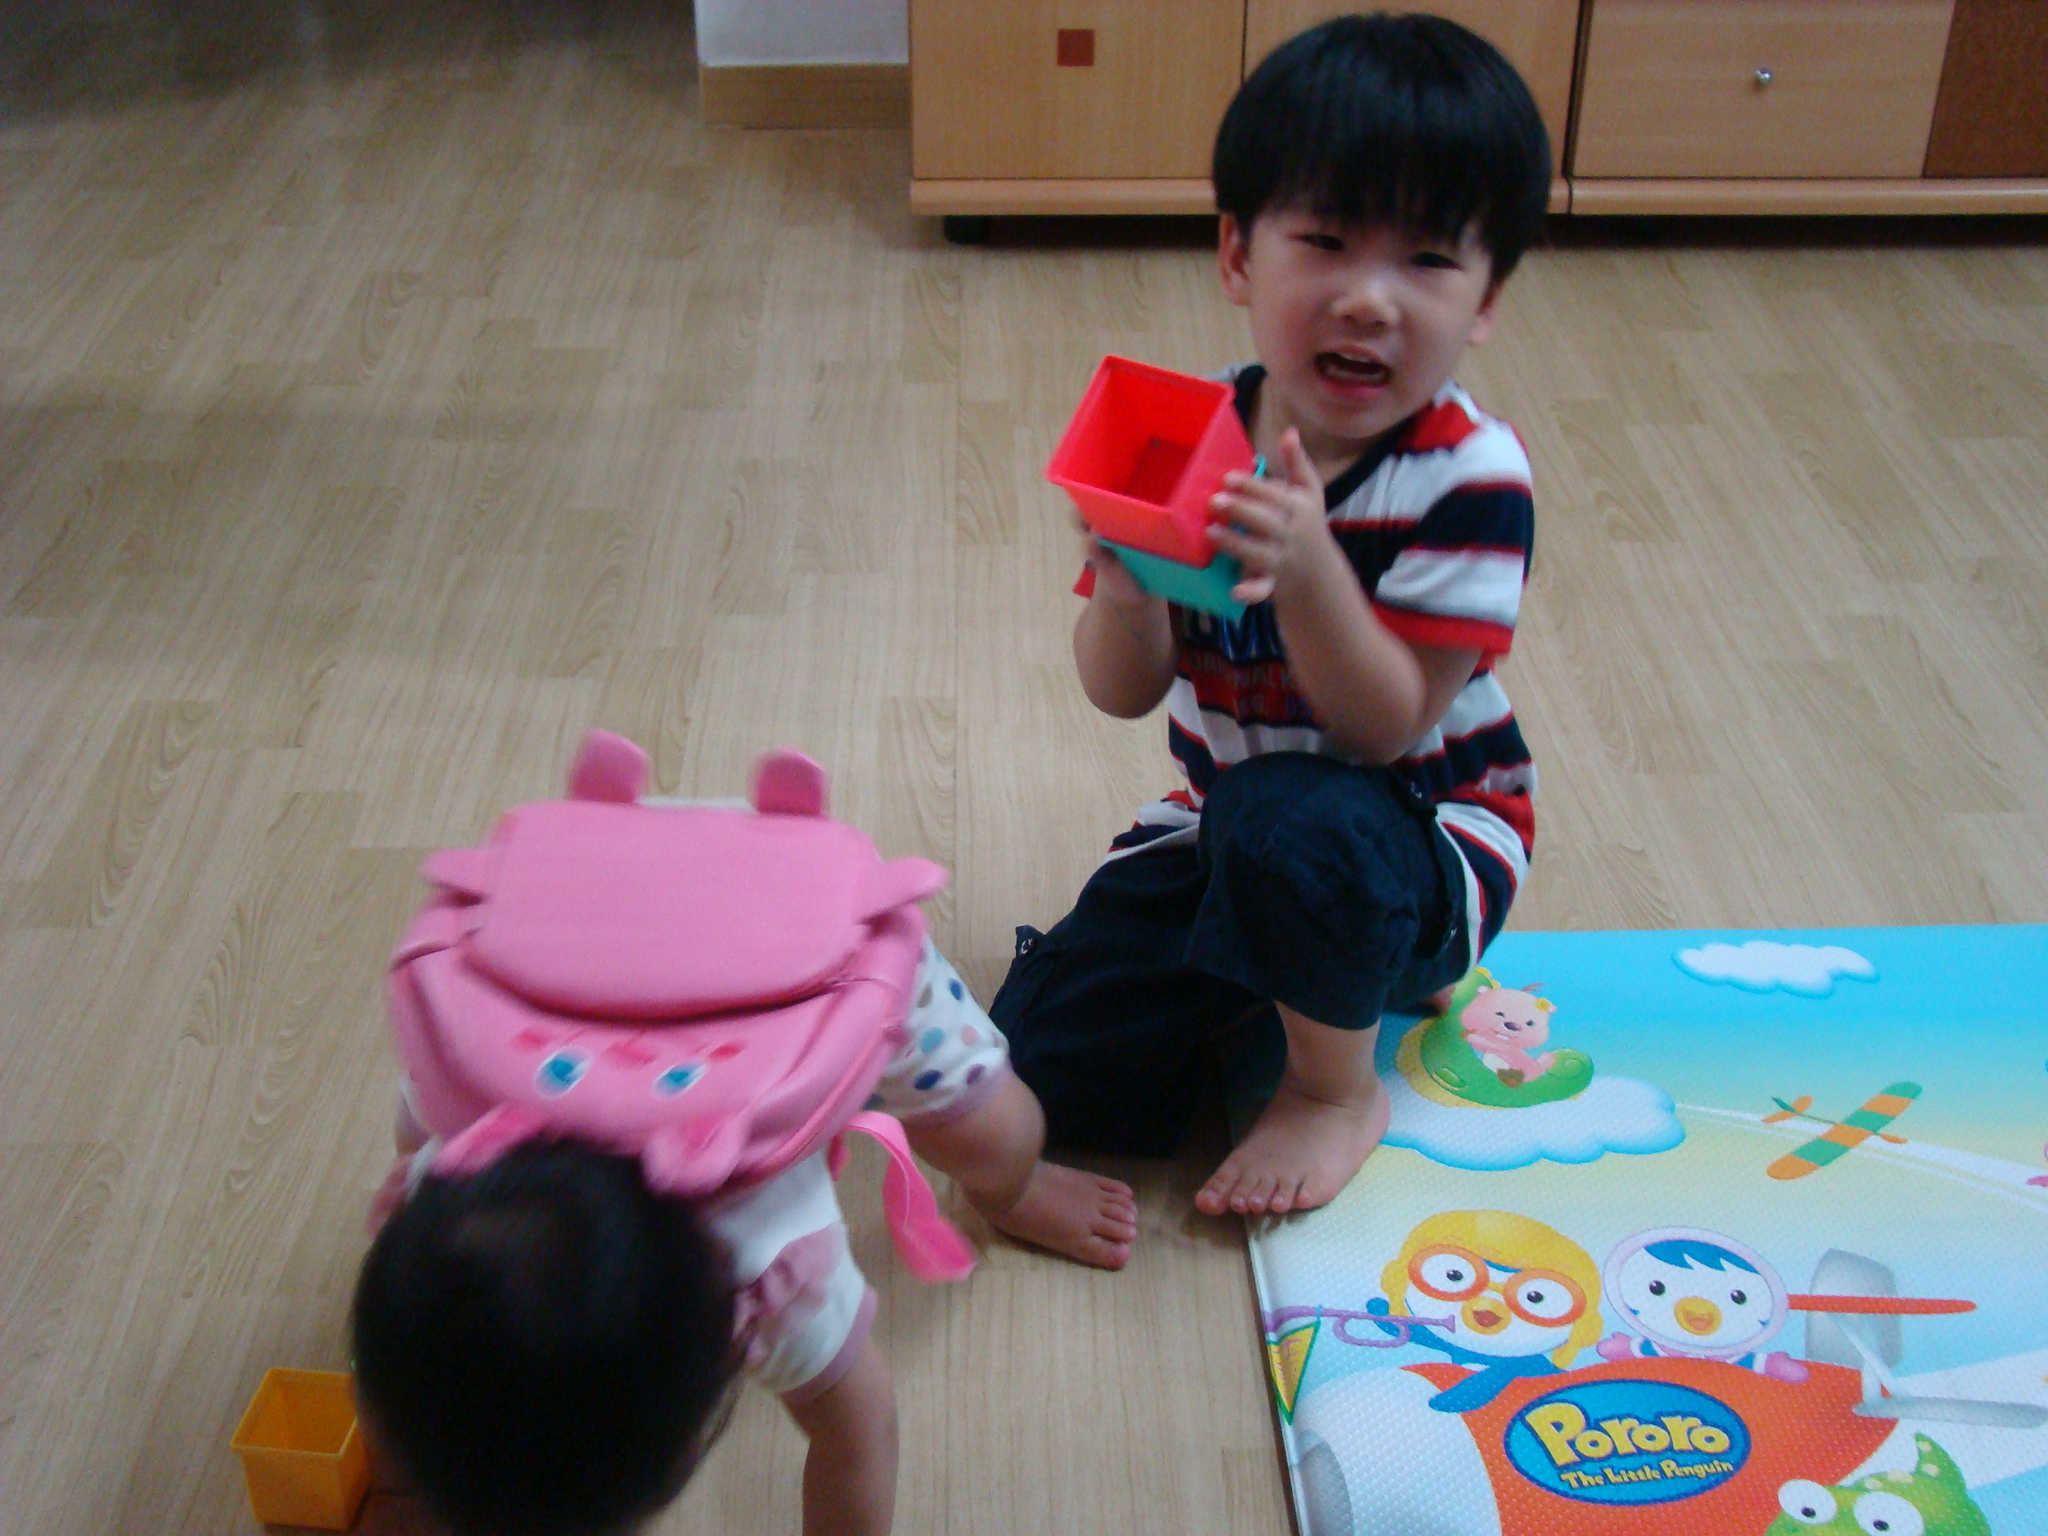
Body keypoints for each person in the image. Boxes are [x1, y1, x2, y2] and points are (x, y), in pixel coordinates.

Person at [993, 13, 1550, 1221]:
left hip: (1422, 840)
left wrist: (1306, 570)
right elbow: (1120, 690)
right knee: (1035, 1066)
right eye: (1326, 242)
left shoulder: (1469, 478)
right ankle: (1284, 977)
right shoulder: (1191, 434)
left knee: (1288, 816)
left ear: (1485, 298)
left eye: (1426, 260)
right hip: (1221, 827)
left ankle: (1332, 1086)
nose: (1367, 300)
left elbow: (1384, 727)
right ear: (1238, 256)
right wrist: (1130, 585)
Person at [353, 938, 1137, 1536]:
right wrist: (397, 1481)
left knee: (1001, 1136)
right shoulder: (433, 1213)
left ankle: (1013, 1188)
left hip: (825, 961)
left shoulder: (773, 1267)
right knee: (428, 1100)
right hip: (561, 958)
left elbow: (861, 1437)